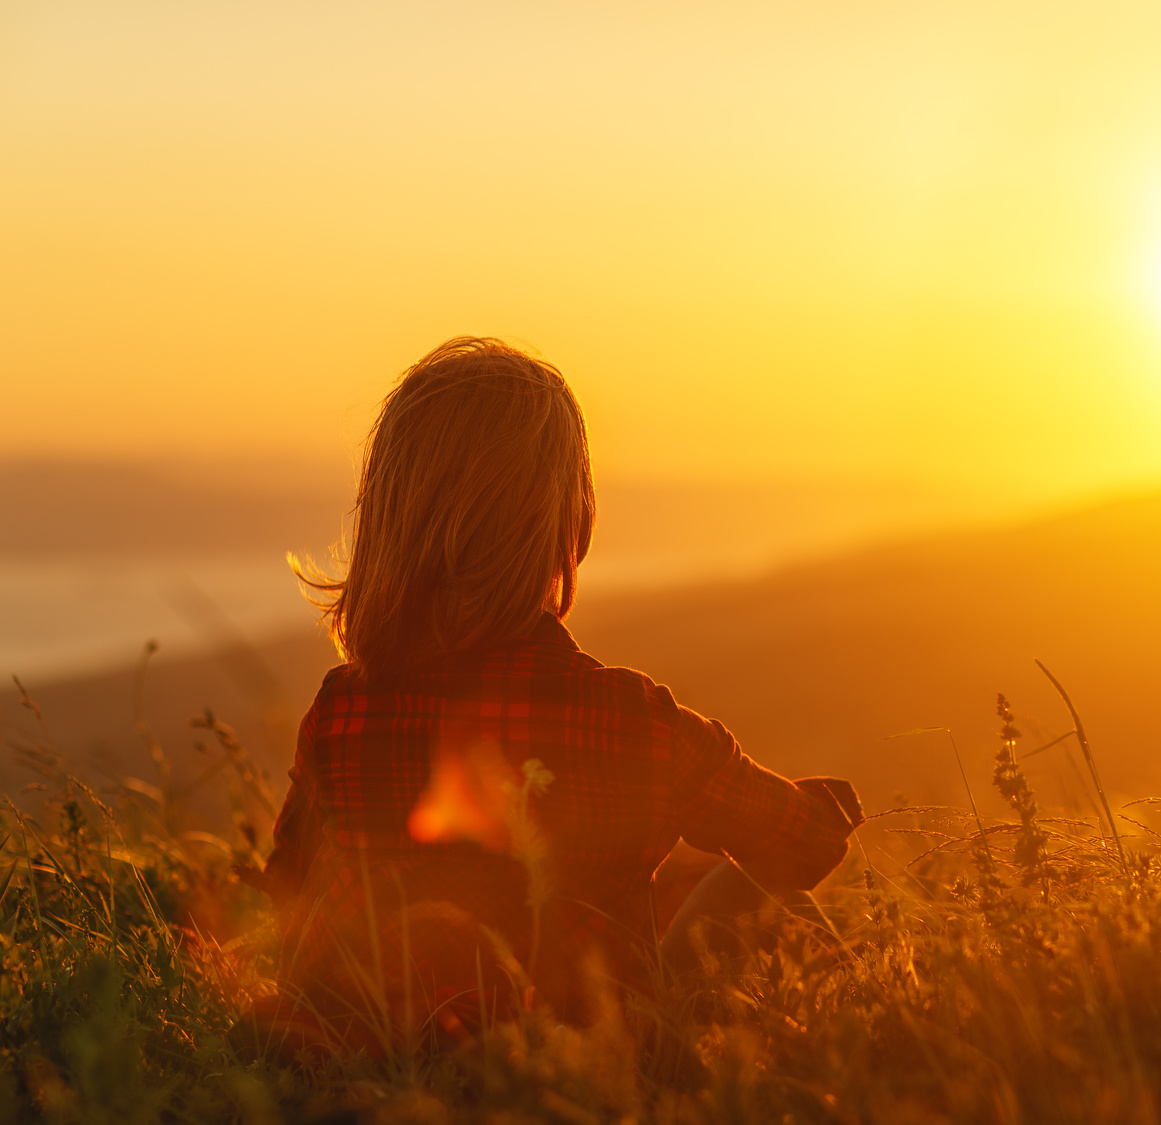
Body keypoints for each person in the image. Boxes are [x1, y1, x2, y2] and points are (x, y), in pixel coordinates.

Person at [255, 337, 862, 1048]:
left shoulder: (341, 710)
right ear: (571, 520)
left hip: (381, 1066)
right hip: (585, 1067)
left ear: (388, 515)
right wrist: (822, 807)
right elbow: (804, 845)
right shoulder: (632, 721)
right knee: (776, 894)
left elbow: (285, 890)